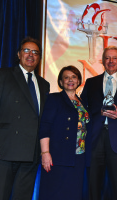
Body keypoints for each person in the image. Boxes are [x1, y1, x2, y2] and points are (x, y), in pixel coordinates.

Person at [0, 36, 50, 200]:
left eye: (35, 52)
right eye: (26, 50)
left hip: (31, 154)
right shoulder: (2, 75)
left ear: (39, 58)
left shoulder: (44, 84)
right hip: (4, 150)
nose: (31, 54)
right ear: (19, 54)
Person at [81, 46, 117, 200]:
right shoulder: (91, 82)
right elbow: (82, 109)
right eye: (107, 58)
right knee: (93, 186)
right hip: (95, 140)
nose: (111, 61)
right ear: (102, 61)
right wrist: (96, 113)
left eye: (114, 58)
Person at [38, 66, 91, 200]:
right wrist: (45, 153)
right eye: (66, 77)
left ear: (79, 81)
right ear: (61, 82)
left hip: (79, 157)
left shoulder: (82, 102)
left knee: (73, 194)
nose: (70, 80)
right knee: (55, 193)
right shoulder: (54, 99)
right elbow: (45, 126)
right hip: (58, 156)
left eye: (73, 77)